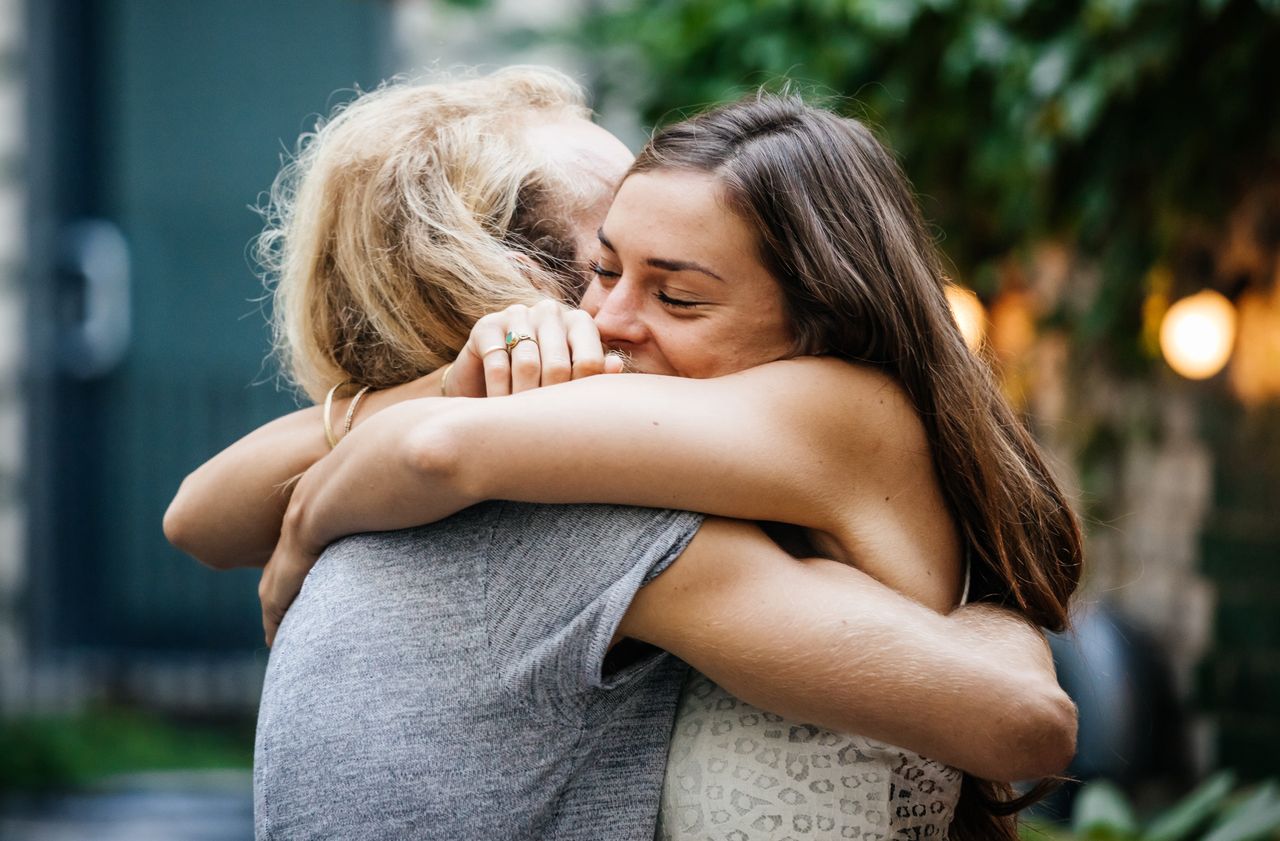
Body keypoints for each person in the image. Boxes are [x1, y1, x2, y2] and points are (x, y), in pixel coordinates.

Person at [166, 69, 1077, 840]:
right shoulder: (594, 497)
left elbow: (432, 450)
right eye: (601, 264)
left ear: (819, 312)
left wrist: (308, 521)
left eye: (675, 291)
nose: (607, 319)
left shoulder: (802, 417)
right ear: (505, 281)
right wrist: (462, 377)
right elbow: (205, 510)